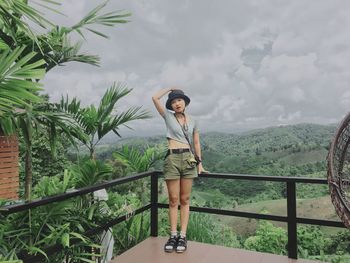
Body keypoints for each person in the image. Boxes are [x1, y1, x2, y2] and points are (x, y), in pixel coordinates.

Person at [152, 88, 206, 253]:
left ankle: (183, 235)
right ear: (171, 105)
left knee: (185, 199)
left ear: (185, 102)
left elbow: (196, 142)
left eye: (179, 100)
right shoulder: (168, 117)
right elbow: (154, 98)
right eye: (174, 101)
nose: (177, 103)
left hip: (189, 160)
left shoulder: (194, 120)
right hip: (172, 158)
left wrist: (200, 163)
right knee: (173, 200)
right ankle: (173, 235)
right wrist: (170, 87)